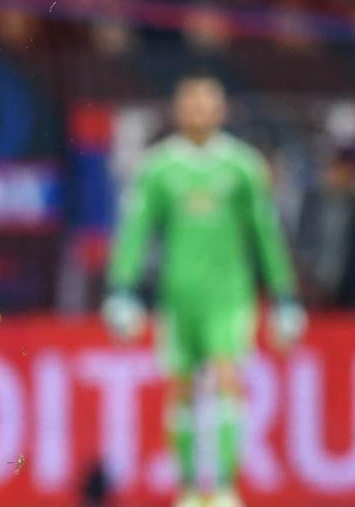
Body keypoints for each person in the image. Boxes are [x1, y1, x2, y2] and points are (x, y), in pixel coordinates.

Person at [102, 74, 307, 507]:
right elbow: (137, 232)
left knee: (227, 375)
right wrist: (121, 288)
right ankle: (192, 488)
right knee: (180, 386)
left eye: (206, 102)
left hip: (230, 296)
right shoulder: (159, 167)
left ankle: (227, 487)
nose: (197, 110)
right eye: (190, 102)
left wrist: (285, 296)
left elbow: (265, 235)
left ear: (221, 110)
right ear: (178, 110)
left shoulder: (243, 167)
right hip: (178, 298)